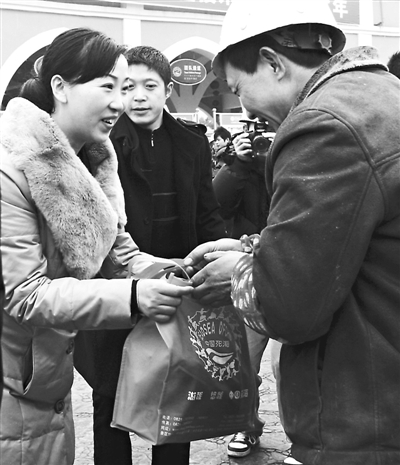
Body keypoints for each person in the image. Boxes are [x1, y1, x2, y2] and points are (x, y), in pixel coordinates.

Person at [184, 1, 400, 464]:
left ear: (272, 63)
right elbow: (357, 241)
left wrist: (240, 273)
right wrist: (258, 248)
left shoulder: (324, 126)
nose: (244, 106)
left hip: (365, 418)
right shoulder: (383, 96)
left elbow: (287, 309)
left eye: (239, 88)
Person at [0, 28, 192, 465]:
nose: (120, 103)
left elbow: (120, 255)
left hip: (46, 377)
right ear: (60, 87)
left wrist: (182, 270)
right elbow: (25, 295)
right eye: (108, 87)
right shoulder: (11, 170)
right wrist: (134, 296)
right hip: (12, 378)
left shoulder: (93, 160)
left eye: (124, 89)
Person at [73, 45, 227, 465]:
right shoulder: (100, 144)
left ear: (168, 90)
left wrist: (217, 258)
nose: (138, 96)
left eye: (149, 86)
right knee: (108, 391)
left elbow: (207, 212)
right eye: (127, 87)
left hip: (177, 286)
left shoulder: (193, 143)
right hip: (117, 283)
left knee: (176, 387)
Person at [212, 124, 270, 457]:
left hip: (296, 265)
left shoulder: (302, 151)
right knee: (245, 361)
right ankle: (246, 425)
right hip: (251, 271)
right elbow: (218, 204)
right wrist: (238, 164)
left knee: (296, 363)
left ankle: (306, 439)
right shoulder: (240, 167)